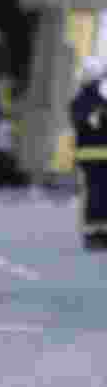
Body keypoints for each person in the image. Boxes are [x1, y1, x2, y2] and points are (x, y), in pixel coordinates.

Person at [69, 63, 107, 250]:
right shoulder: (99, 102)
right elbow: (85, 123)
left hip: (88, 155)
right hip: (98, 155)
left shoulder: (79, 102)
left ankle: (95, 233)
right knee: (99, 193)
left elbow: (79, 124)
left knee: (94, 194)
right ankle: (97, 233)